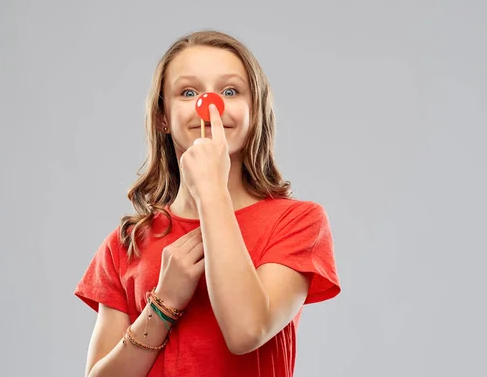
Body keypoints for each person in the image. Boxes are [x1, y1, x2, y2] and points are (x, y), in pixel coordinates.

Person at [74, 29, 341, 377]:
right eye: (188, 92)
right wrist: (164, 303)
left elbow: (247, 331)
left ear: (254, 111)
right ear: (163, 117)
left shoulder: (298, 223)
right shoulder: (124, 246)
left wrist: (212, 190)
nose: (209, 105)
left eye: (230, 91)